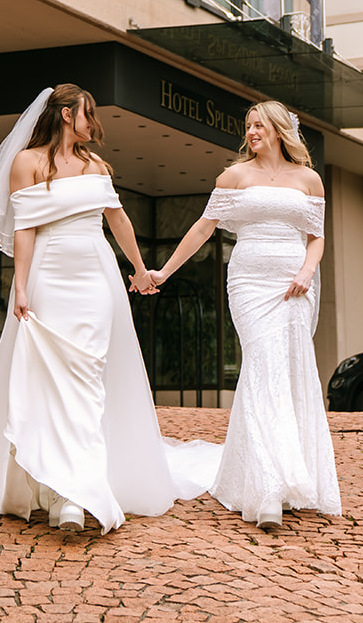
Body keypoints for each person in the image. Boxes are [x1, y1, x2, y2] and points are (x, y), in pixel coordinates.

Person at [0, 83, 176, 534]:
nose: (96, 124)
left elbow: (118, 219)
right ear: (68, 114)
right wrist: (22, 285)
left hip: (95, 276)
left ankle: (75, 493)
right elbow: (25, 229)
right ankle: (55, 490)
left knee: (87, 381)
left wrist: (141, 269)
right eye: (89, 113)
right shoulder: (26, 163)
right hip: (49, 275)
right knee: (50, 382)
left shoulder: (96, 166)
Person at [150, 100, 342, 531]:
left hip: (295, 284)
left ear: (278, 130)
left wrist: (307, 272)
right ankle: (267, 488)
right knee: (262, 365)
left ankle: (285, 476)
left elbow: (316, 238)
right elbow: (204, 227)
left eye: (259, 125)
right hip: (250, 283)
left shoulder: (309, 179)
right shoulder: (234, 177)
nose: (251, 132)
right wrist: (163, 270)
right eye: (248, 126)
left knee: (288, 372)